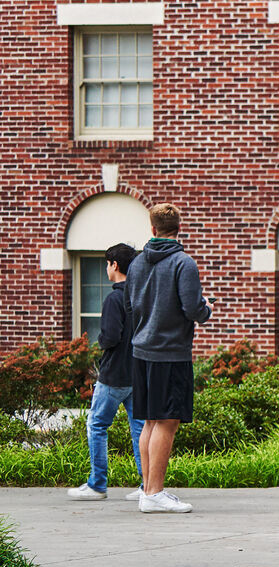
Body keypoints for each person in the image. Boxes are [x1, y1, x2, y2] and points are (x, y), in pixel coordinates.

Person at [126, 204, 211, 513]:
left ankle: (147, 491)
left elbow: (132, 303)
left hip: (142, 351)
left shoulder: (136, 264)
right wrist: (206, 308)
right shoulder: (183, 263)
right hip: (170, 353)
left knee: (151, 419)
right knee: (168, 421)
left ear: (152, 229)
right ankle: (154, 493)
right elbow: (192, 309)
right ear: (179, 228)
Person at [67, 243, 144, 502]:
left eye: (107, 263)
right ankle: (148, 485)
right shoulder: (141, 295)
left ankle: (97, 484)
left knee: (97, 425)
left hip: (113, 376)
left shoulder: (114, 298)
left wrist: (100, 341)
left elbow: (109, 337)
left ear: (115, 265)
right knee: (140, 430)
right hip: (138, 372)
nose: (106, 268)